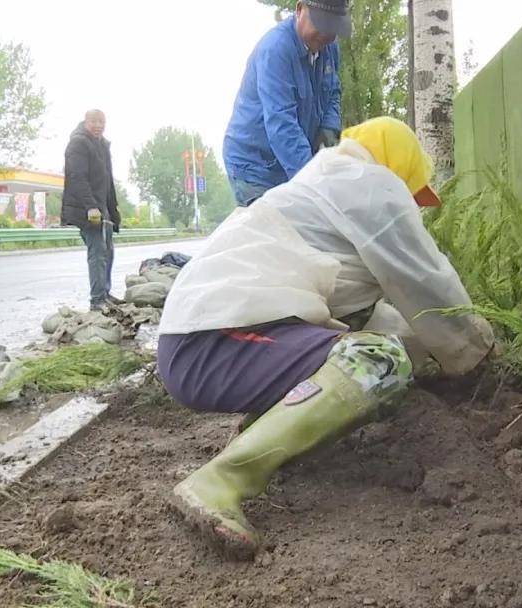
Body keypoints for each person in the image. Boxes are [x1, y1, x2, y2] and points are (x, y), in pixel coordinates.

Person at [158, 116, 496, 558]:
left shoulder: (321, 185)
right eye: (414, 193)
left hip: (207, 337)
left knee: (376, 347)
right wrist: (480, 354)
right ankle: (221, 481)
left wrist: (428, 353)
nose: (413, 205)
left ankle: (264, 434)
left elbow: (382, 319)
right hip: (212, 340)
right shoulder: (371, 184)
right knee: (378, 363)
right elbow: (427, 284)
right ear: (400, 169)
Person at [222, 0, 349, 206]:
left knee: (304, 227)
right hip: (256, 166)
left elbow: (333, 91)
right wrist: (315, 182)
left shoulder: (330, 49)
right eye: (322, 23)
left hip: (293, 159)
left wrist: (329, 128)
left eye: (333, 26)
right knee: (273, 232)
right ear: (300, 9)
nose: (327, 34)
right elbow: (282, 125)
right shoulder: (275, 51)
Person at [62, 109, 122, 310]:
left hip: (102, 208)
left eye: (102, 122)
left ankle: (104, 293)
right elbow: (77, 178)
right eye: (94, 122)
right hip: (87, 209)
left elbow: (107, 182)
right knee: (97, 252)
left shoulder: (102, 145)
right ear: (85, 122)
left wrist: (113, 211)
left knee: (108, 252)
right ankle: (97, 300)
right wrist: (91, 206)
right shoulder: (78, 144)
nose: (98, 125)